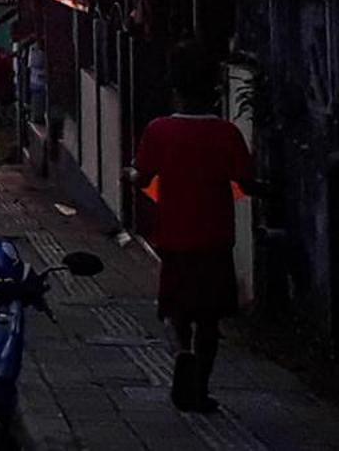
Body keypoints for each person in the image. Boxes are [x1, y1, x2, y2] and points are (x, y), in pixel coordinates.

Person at [129, 46, 257, 414]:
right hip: (215, 238)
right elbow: (246, 183)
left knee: (178, 309)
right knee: (211, 318)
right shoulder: (227, 133)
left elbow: (144, 177)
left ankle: (182, 352)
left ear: (176, 91)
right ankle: (200, 384)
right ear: (215, 91)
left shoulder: (159, 131)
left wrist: (131, 175)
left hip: (174, 236)